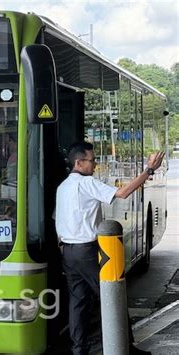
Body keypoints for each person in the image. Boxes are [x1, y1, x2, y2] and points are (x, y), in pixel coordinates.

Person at [55, 141, 164, 355]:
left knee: (78, 302)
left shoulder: (63, 187)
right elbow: (123, 193)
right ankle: (125, 347)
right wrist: (149, 171)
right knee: (113, 296)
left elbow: (57, 220)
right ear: (79, 162)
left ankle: (79, 350)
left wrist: (62, 245)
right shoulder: (86, 184)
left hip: (68, 251)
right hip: (87, 251)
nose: (95, 165)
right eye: (92, 160)